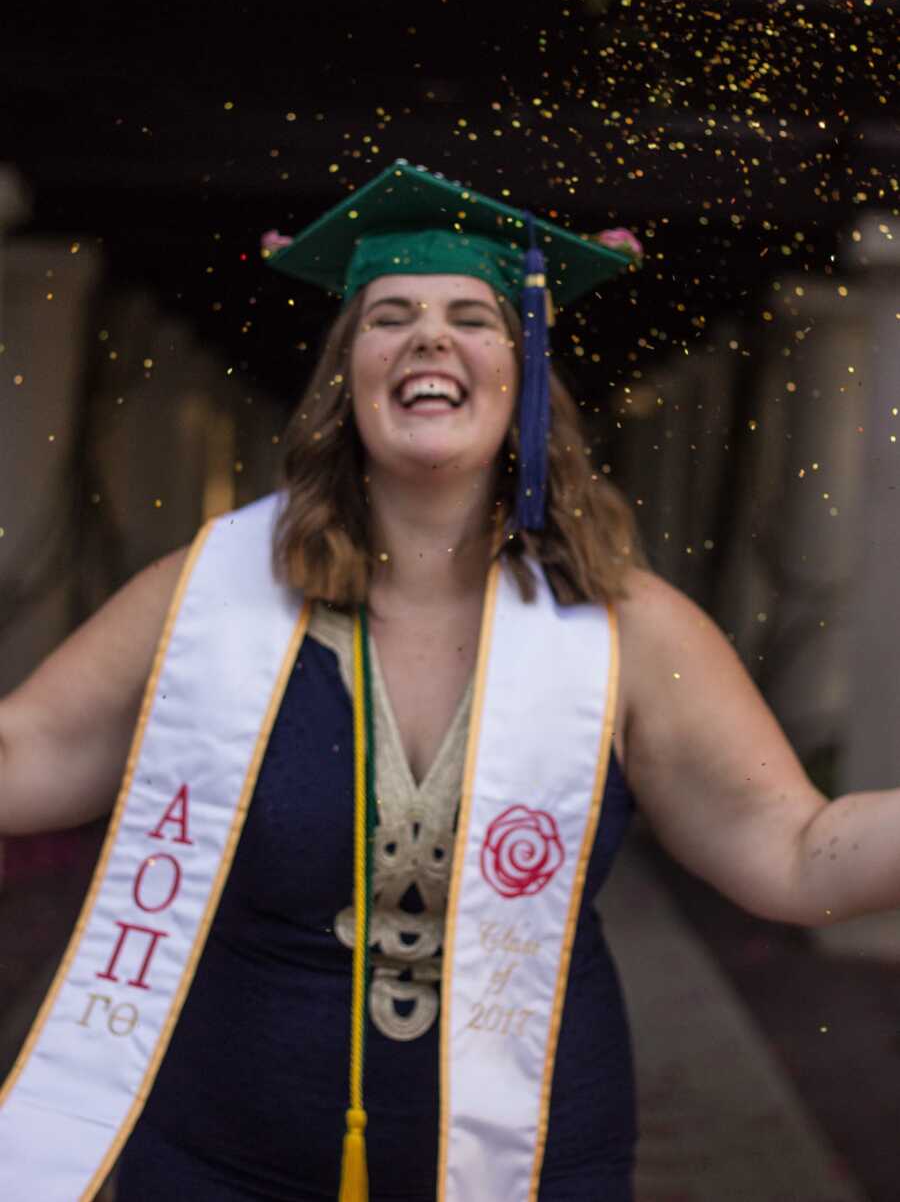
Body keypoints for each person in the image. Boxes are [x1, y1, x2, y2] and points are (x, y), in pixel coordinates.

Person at [1, 161, 898, 1202]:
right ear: (348, 380)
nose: (429, 335)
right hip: (220, 1162)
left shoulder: (627, 629)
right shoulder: (206, 593)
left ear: (523, 380)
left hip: (528, 1165)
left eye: (472, 315)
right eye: (391, 316)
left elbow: (797, 851)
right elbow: (26, 754)